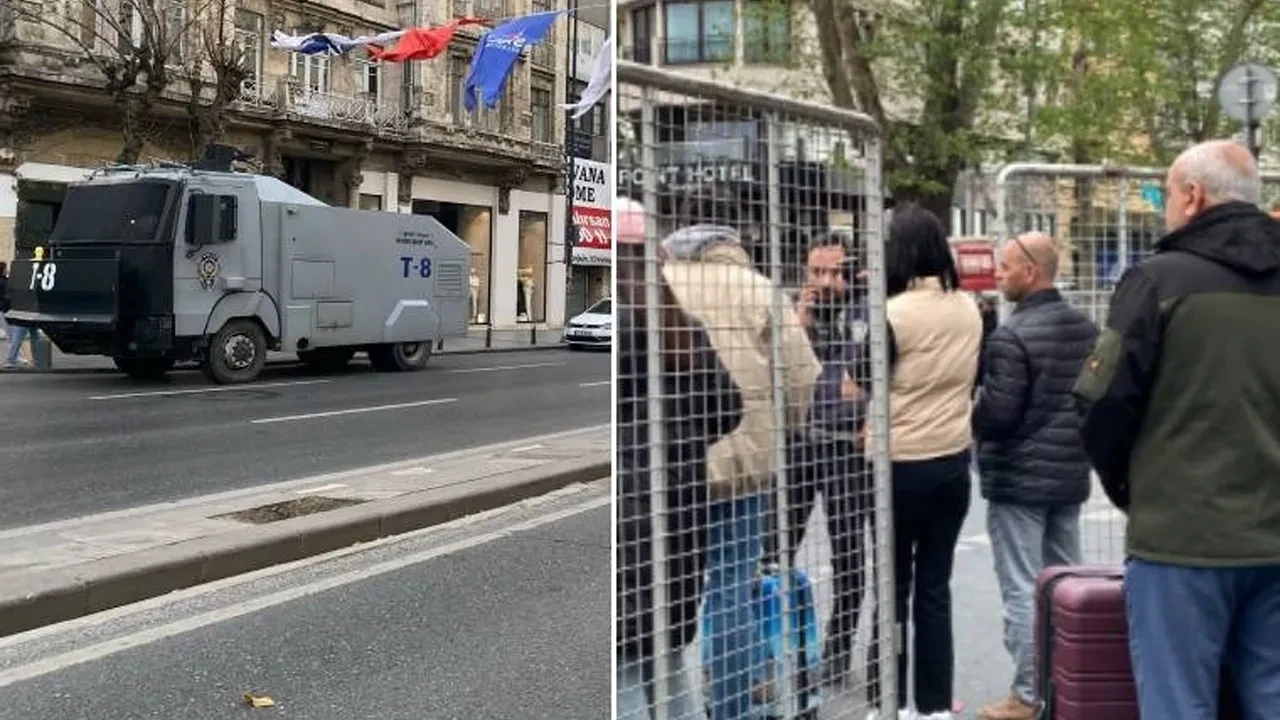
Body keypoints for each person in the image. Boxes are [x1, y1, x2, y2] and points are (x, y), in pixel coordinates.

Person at [1074, 139, 1280, 719]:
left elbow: (1101, 403)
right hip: (1273, 537)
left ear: (1192, 197)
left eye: (1166, 192)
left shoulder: (1158, 281)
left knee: (1178, 704)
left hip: (1182, 540)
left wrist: (1134, 491)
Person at [660, 223, 820, 720]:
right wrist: (784, 430)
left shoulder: (661, 283)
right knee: (730, 586)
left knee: (663, 592)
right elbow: (802, 375)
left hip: (674, 461)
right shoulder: (760, 289)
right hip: (745, 462)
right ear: (733, 249)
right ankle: (733, 706)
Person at [615, 201, 744, 720]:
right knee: (667, 665)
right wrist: (686, 437)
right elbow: (730, 408)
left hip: (629, 522)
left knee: (624, 674)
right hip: (682, 506)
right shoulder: (679, 327)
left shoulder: (626, 329)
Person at [971, 232, 1097, 720]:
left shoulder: (1011, 336)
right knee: (1070, 579)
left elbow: (999, 413)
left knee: (1023, 588)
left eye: (1004, 267)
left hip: (1020, 478)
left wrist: (974, 417)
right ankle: (1076, 681)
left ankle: (1027, 694)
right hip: (1069, 473)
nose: (997, 275)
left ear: (1030, 271)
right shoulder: (1086, 327)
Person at [867, 203, 983, 720]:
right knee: (934, 588)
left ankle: (887, 702)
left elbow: (858, 385)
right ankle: (935, 706)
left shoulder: (890, 316)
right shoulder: (969, 309)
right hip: (953, 461)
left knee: (892, 589)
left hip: (899, 463)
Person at [768, 229, 874, 687]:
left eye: (834, 271)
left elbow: (875, 375)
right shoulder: (795, 311)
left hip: (848, 447)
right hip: (800, 441)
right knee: (774, 549)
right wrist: (800, 325)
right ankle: (775, 647)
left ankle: (835, 652)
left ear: (851, 272)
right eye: (817, 271)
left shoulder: (867, 312)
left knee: (848, 553)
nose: (825, 280)